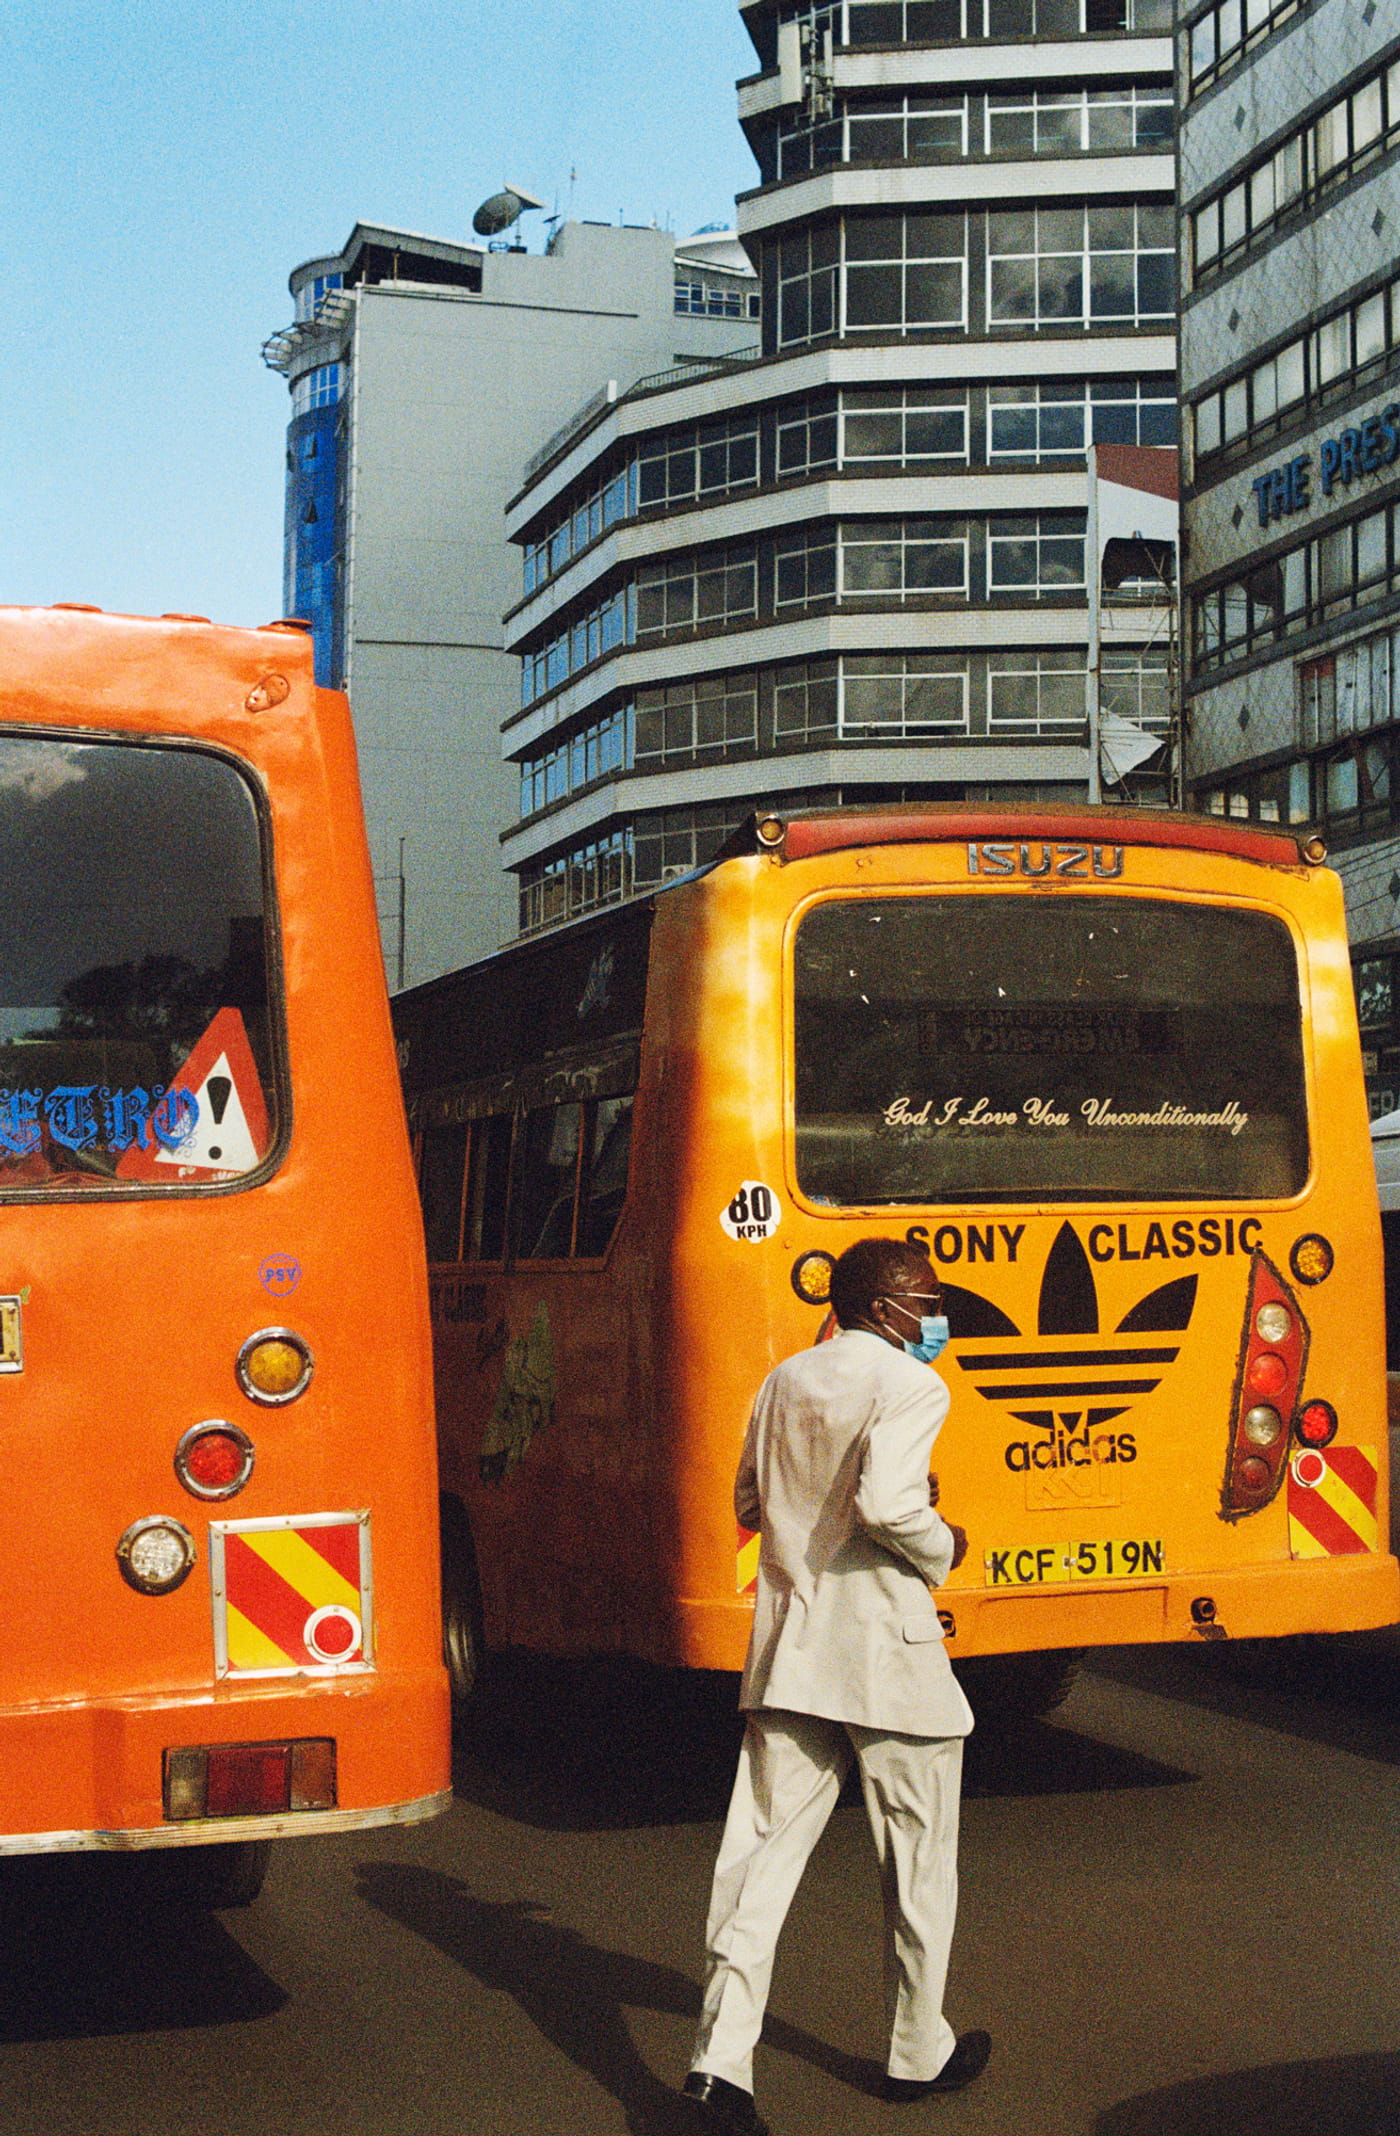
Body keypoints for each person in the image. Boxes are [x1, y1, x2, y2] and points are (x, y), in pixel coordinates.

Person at [681, 1236, 990, 2136]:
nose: (935, 1318)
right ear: (880, 1306)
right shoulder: (912, 1384)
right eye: (925, 1302)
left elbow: (749, 1504)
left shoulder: (786, 1379)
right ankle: (914, 2049)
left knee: (756, 1865)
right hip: (888, 1655)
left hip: (792, 1655)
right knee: (918, 1864)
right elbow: (890, 1507)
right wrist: (943, 1543)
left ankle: (718, 2068)